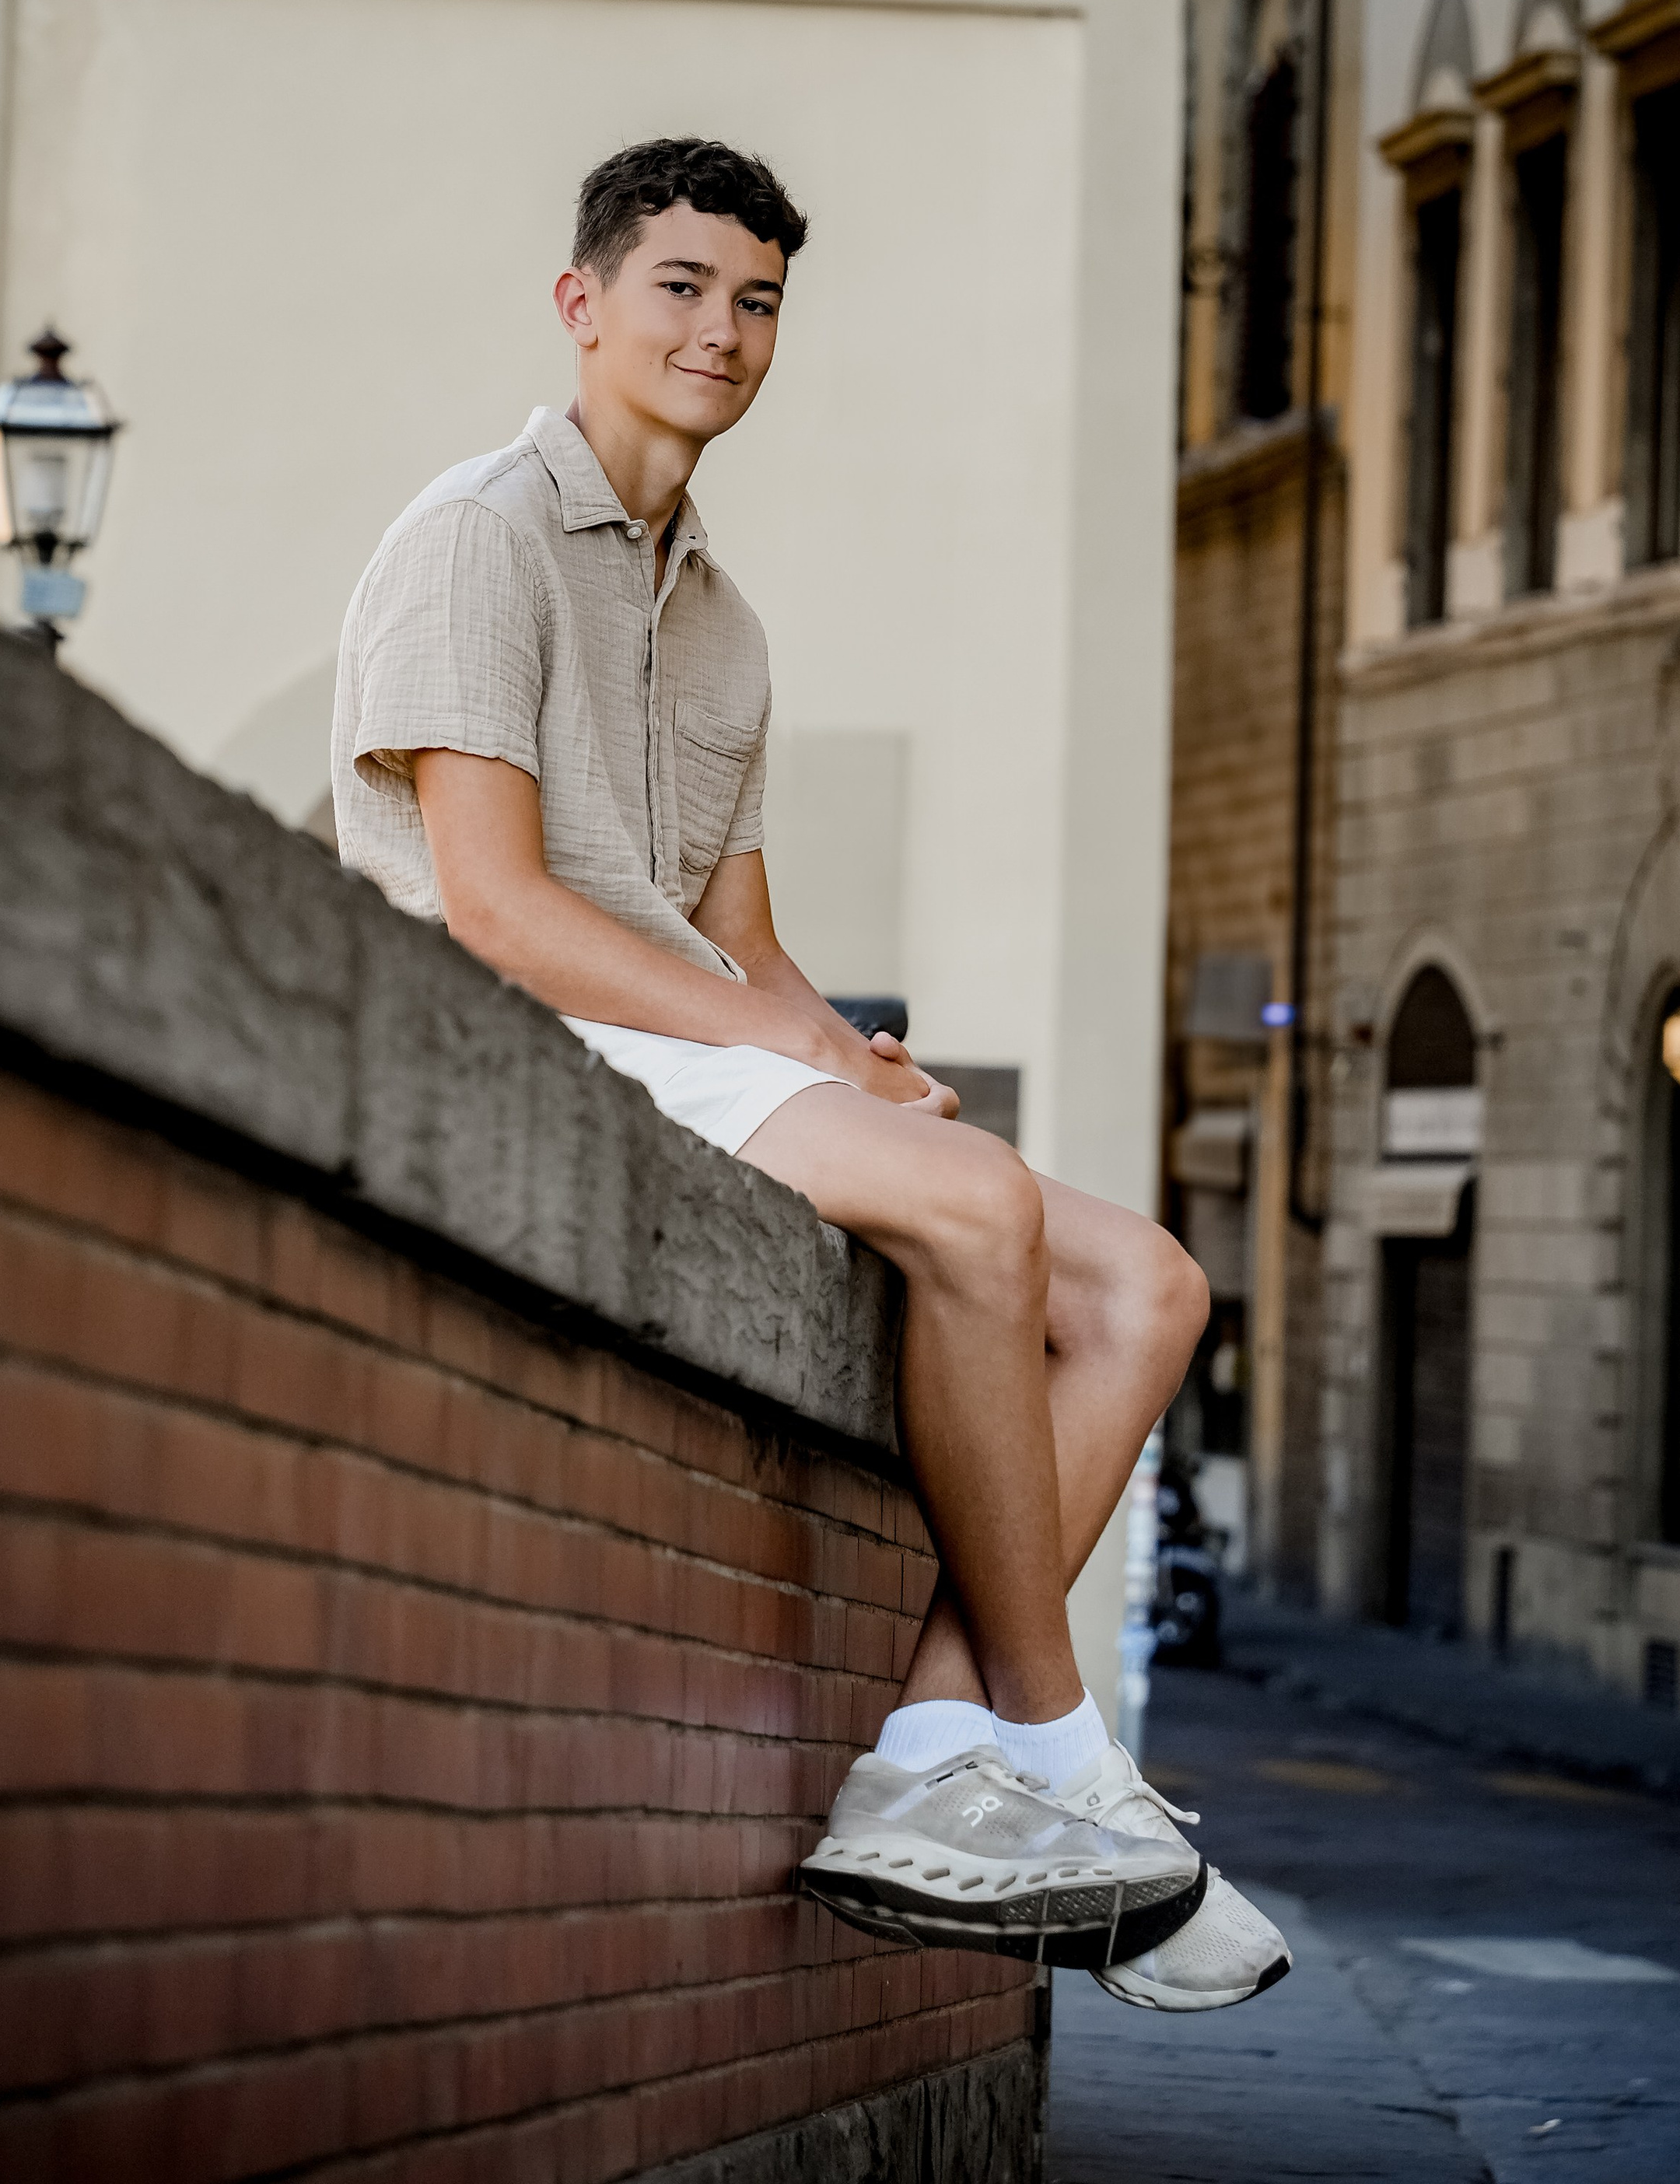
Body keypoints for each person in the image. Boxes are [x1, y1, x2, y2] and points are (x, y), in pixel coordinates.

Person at [332, 135, 1289, 2006]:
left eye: (755, 298)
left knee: (1148, 1285)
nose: (720, 328)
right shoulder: (474, 534)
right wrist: (784, 1043)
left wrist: (847, 1051)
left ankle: (935, 1749)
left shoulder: (722, 621)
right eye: (680, 286)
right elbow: (497, 908)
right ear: (581, 303)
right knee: (979, 1205)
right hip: (546, 1043)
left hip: (690, 1038)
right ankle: (1061, 1753)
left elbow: (741, 942)